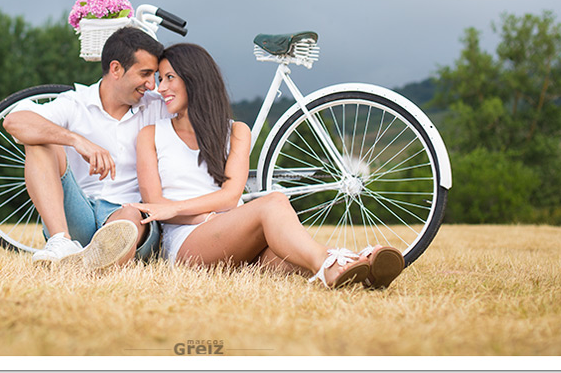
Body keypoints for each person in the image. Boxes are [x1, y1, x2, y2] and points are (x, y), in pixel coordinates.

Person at [128, 43, 405, 289]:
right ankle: (330, 264)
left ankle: (362, 269)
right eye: (159, 79)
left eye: (169, 78)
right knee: (273, 202)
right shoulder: (150, 135)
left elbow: (230, 194)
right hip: (187, 242)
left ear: (195, 79)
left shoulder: (236, 131)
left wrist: (195, 210)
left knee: (287, 259)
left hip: (235, 234)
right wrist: (202, 216)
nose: (160, 87)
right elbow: (156, 206)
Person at [2, 26, 170, 269]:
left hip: (127, 213)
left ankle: (99, 259)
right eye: (145, 74)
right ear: (116, 69)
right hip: (77, 212)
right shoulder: (75, 103)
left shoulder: (157, 105)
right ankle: (61, 243)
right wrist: (76, 140)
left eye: (154, 75)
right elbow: (14, 121)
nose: (152, 85)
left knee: (129, 218)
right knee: (39, 139)